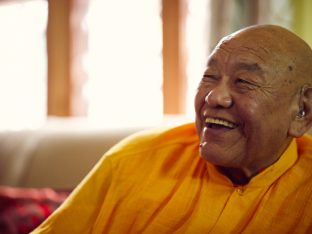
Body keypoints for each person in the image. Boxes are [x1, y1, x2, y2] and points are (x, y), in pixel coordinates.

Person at [32, 24, 312, 233]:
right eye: (209, 77)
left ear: (302, 111)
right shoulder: (131, 162)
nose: (214, 97)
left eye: (244, 81)